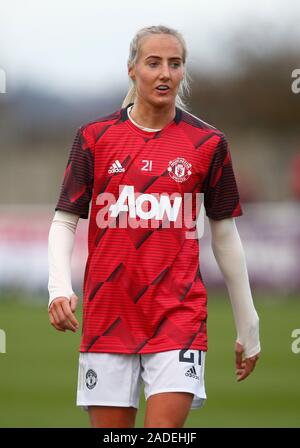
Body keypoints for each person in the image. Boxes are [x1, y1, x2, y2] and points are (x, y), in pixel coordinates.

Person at [47, 25, 260, 428]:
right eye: (154, 63)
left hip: (177, 317)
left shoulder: (208, 144)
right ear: (132, 70)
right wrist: (59, 288)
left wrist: (249, 323)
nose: (165, 73)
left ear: (183, 72)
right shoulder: (95, 138)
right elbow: (64, 219)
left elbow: (225, 235)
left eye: (175, 64)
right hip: (109, 314)